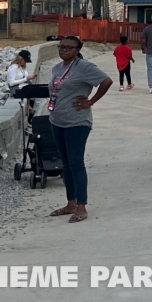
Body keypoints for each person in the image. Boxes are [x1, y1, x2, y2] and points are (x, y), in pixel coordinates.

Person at [47, 36, 113, 223]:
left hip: (77, 122)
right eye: (61, 47)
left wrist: (90, 101)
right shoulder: (57, 68)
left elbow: (106, 81)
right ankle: (71, 203)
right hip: (57, 120)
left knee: (76, 163)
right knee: (65, 164)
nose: (64, 50)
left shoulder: (84, 67)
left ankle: (82, 207)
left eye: (69, 47)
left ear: (77, 50)